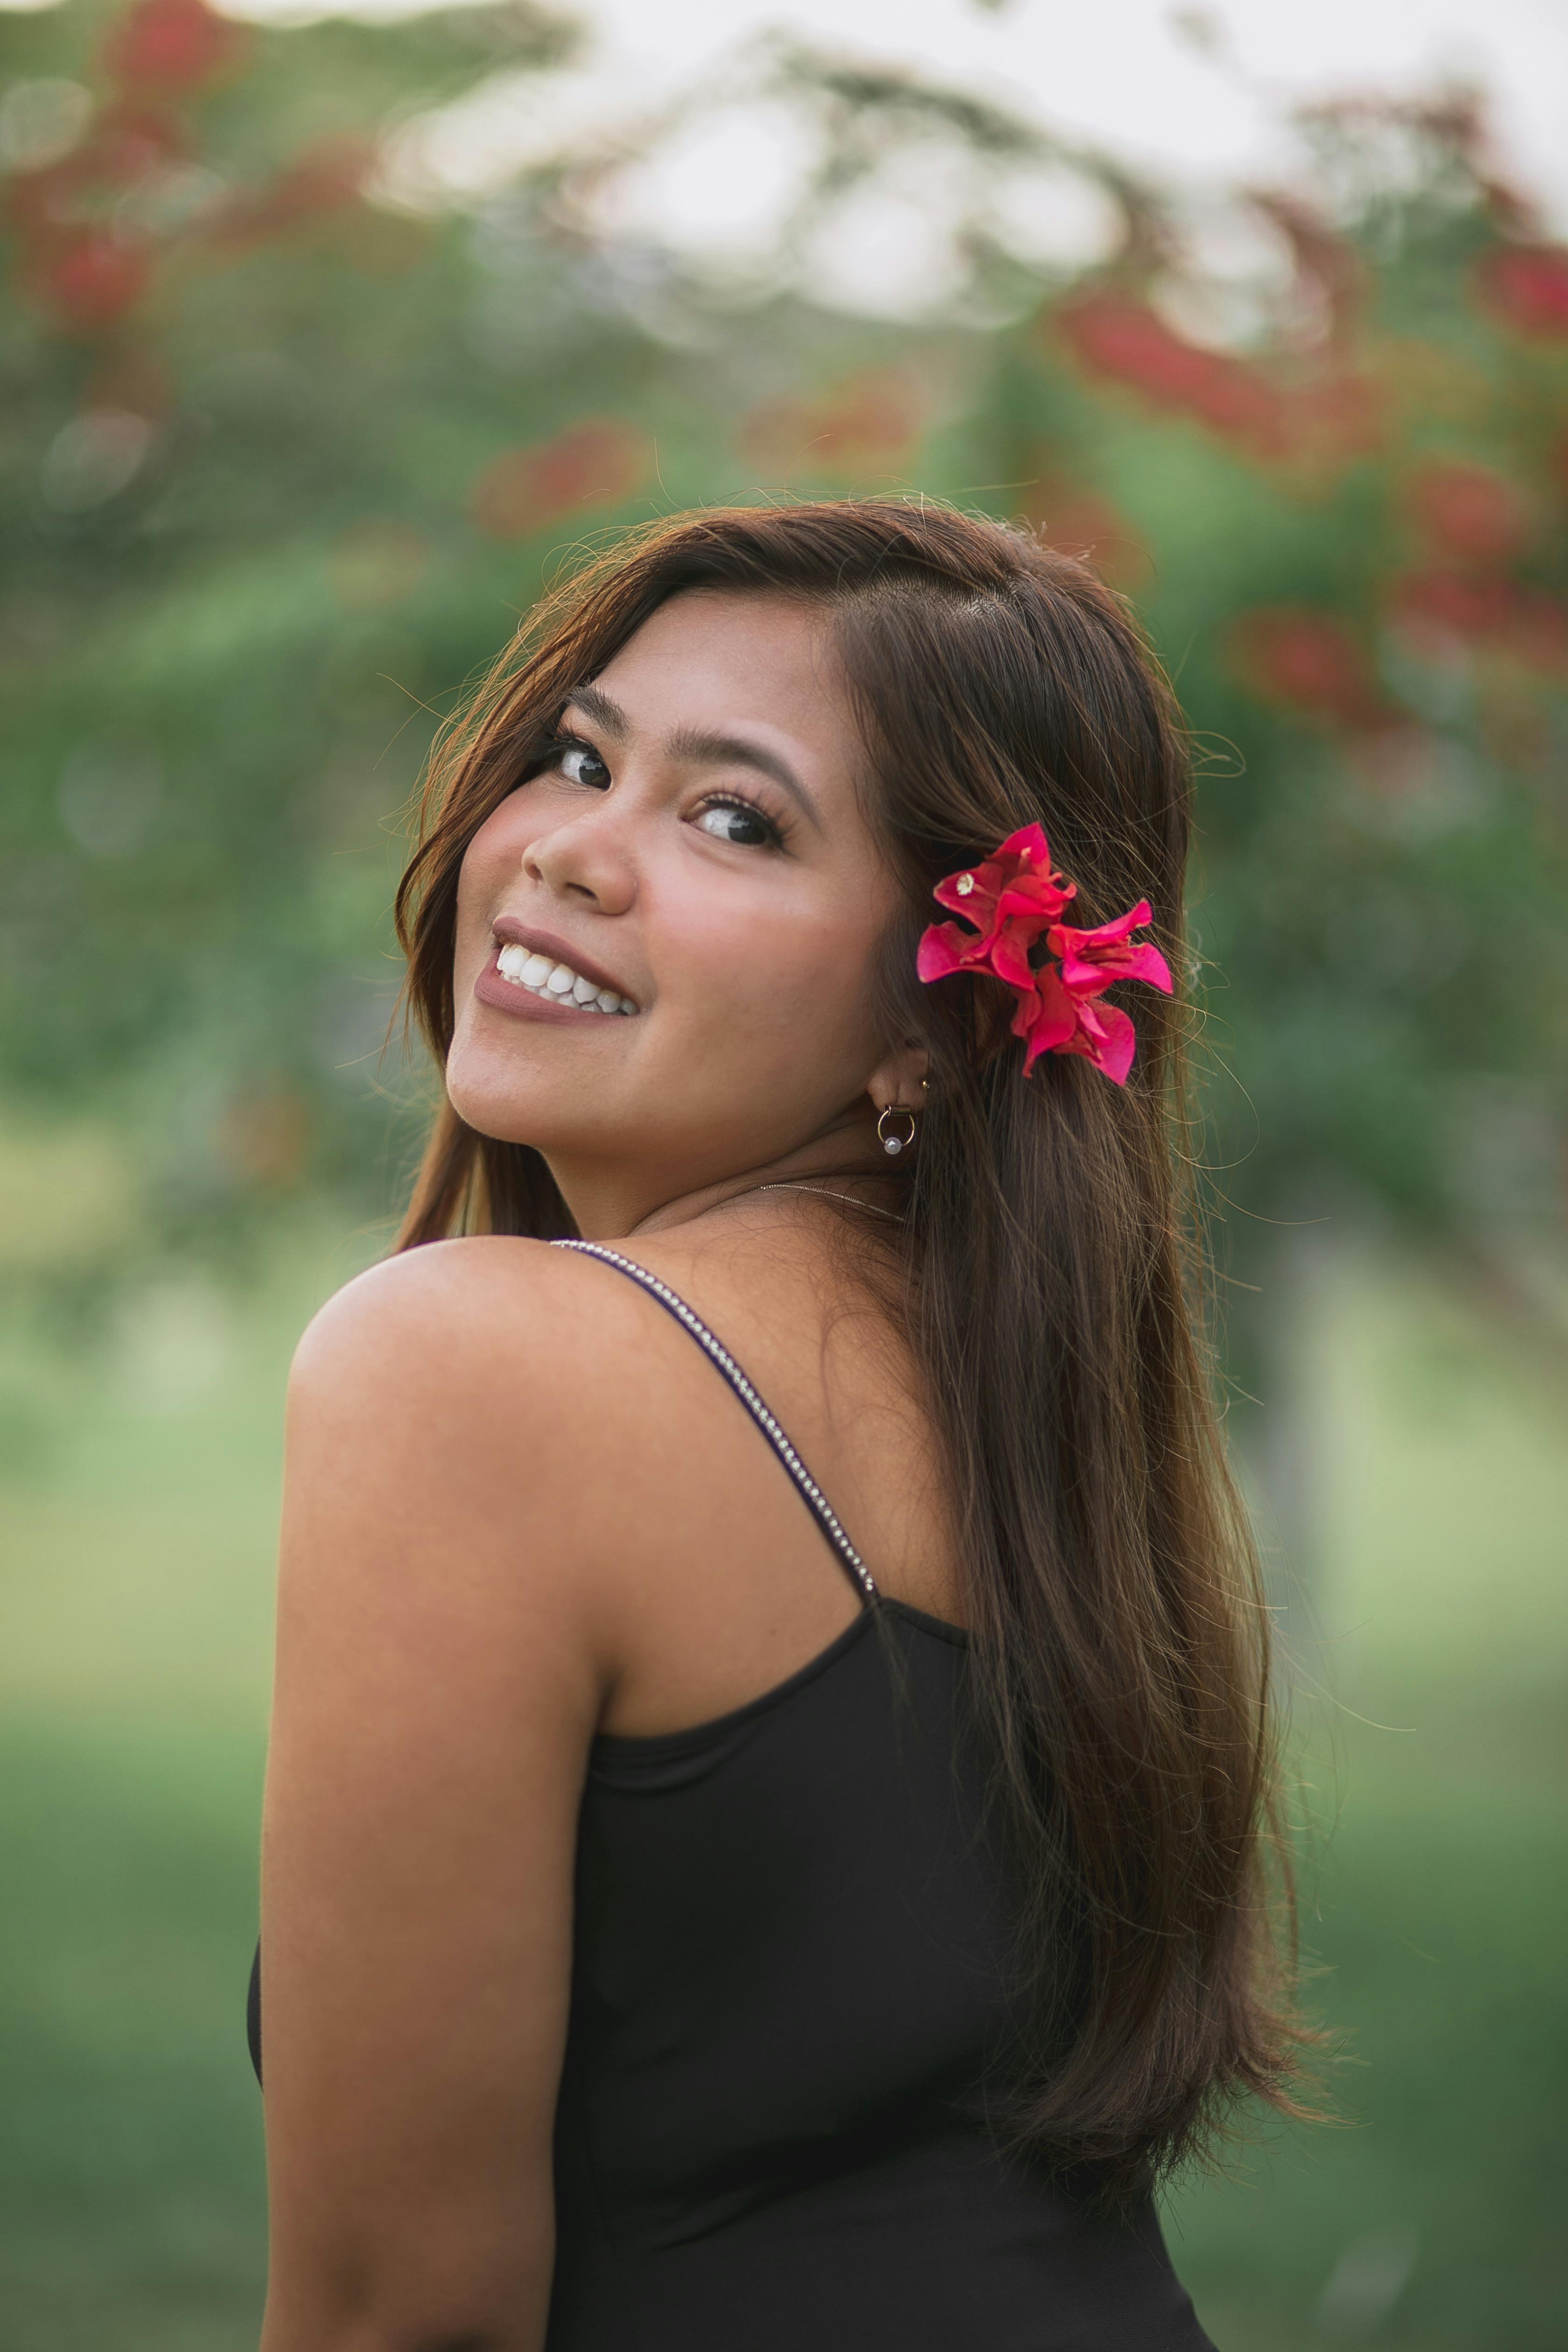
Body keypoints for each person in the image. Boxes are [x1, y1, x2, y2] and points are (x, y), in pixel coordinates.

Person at [251, 501, 1306, 2352]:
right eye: (581, 757)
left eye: (733, 816)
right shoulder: (1049, 1432)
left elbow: (395, 2317)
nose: (571, 850)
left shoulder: (477, 1368)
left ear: (940, 1024)